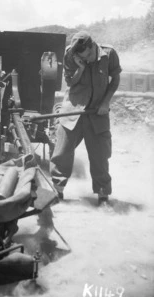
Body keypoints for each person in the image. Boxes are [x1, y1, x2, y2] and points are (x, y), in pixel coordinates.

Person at [50, 31, 122, 205]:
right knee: (62, 153)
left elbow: (115, 78)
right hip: (73, 110)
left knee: (100, 155)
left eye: (89, 55)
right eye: (82, 57)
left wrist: (105, 102)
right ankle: (57, 191)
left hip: (97, 112)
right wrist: (80, 68)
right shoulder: (70, 54)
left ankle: (103, 194)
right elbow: (70, 82)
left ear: (93, 46)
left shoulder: (109, 54)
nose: (87, 59)